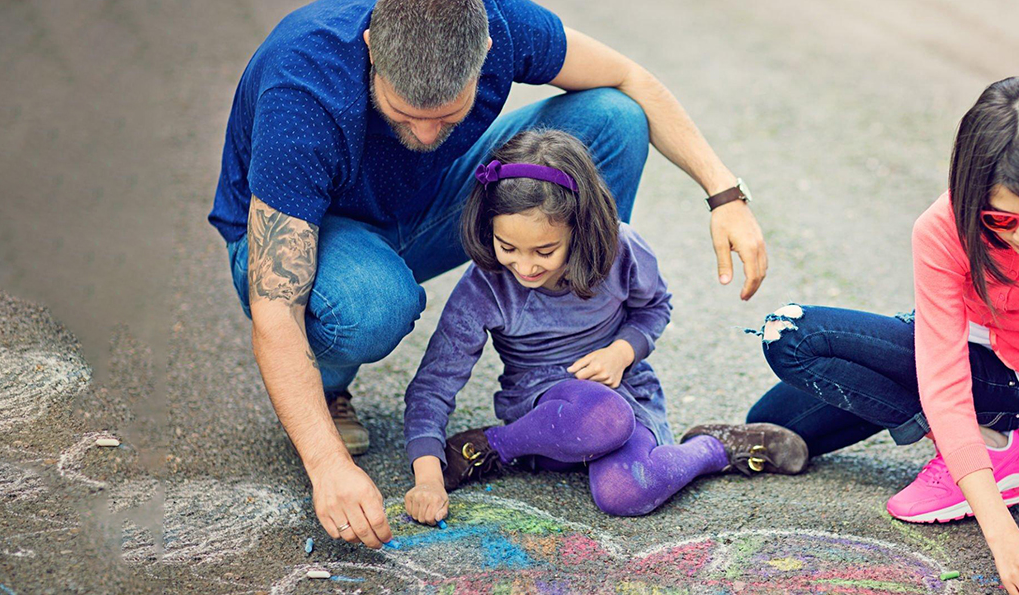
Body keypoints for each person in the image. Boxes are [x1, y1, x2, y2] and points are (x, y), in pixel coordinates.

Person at [210, 0, 767, 548]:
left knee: (615, 116)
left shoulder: (500, 21)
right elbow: (275, 308)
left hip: (427, 203)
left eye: (447, 116)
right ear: (372, 49)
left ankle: (572, 336)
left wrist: (724, 194)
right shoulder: (304, 86)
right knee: (372, 304)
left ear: (487, 54)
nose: (427, 134)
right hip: (324, 238)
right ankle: (328, 390)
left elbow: (630, 77)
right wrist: (325, 464)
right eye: (404, 114)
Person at [744, 77, 1019, 595]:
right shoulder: (944, 225)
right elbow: (944, 381)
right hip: (957, 355)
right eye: (1001, 218)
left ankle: (995, 446)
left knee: (790, 334)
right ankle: (980, 446)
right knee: (771, 427)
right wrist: (1003, 534)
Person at [400, 130, 806, 523]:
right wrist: (429, 479)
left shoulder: (621, 250)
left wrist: (623, 351)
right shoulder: (486, 284)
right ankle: (496, 447)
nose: (524, 267)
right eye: (508, 247)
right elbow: (434, 384)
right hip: (543, 415)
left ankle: (715, 447)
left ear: (582, 228)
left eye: (544, 250)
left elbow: (655, 307)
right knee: (598, 417)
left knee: (626, 493)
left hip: (622, 397)